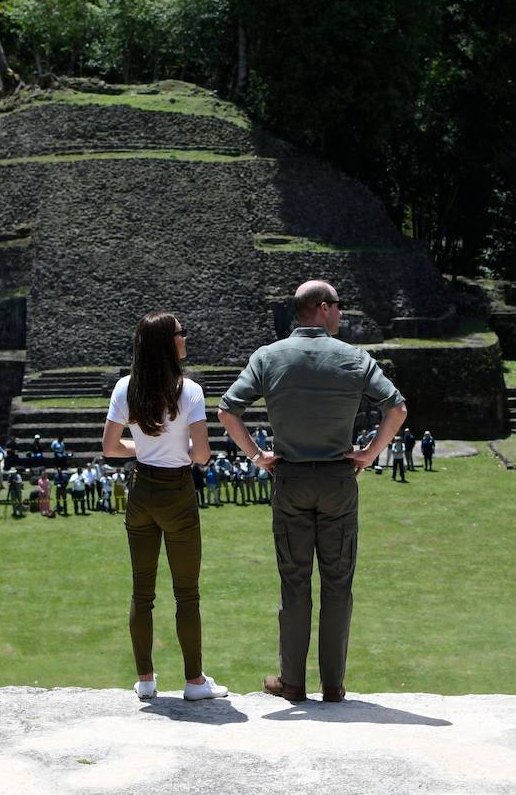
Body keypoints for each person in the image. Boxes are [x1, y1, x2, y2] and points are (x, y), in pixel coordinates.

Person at [219, 280, 406, 704]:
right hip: (339, 480)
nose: (341, 312)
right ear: (322, 308)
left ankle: (292, 681)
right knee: (338, 583)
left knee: (294, 582)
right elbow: (397, 409)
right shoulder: (354, 358)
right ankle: (334, 684)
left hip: (290, 479)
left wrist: (257, 456)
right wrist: (369, 454)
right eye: (338, 306)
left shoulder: (268, 357)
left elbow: (228, 411)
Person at [103, 311, 227, 702]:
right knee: (186, 594)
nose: (185, 338)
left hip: (141, 488)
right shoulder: (188, 391)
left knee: (143, 592)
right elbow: (203, 455)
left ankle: (145, 678)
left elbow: (109, 448)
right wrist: (179, 450)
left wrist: (141, 447)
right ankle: (193, 681)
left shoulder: (125, 388)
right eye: (180, 333)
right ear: (167, 342)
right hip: (176, 491)